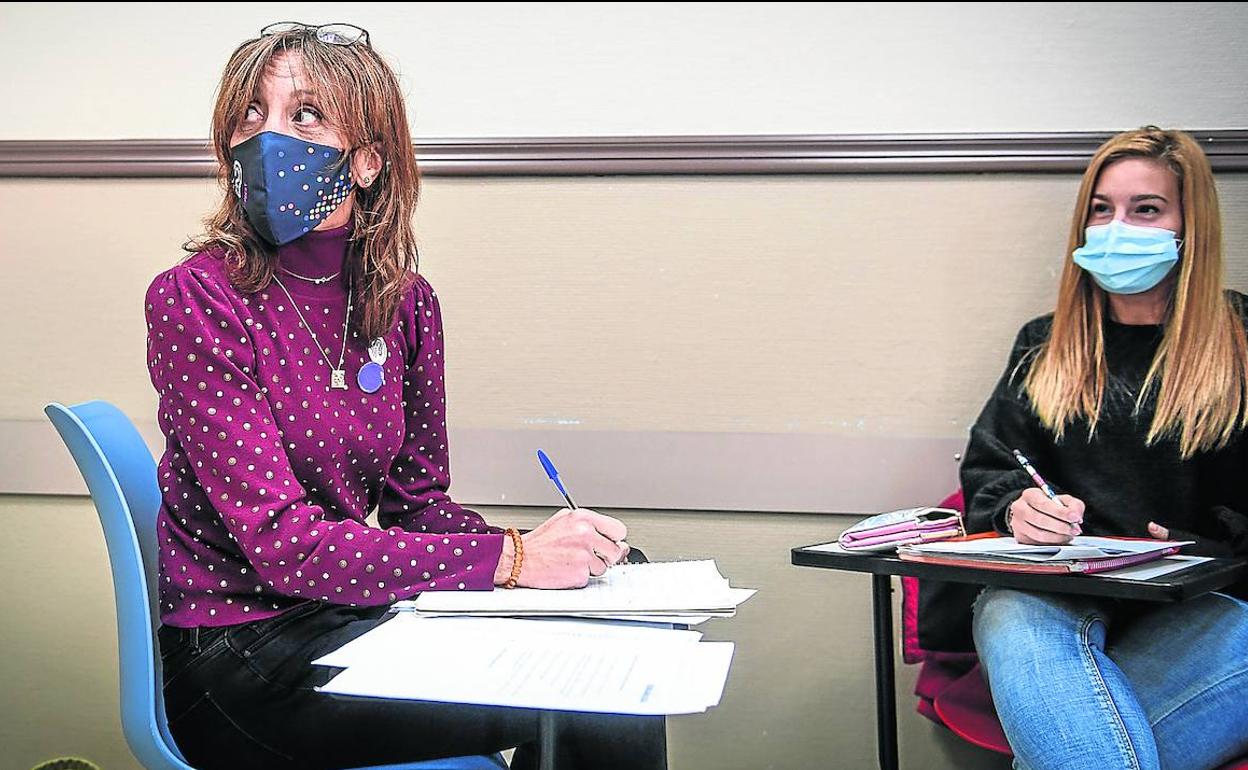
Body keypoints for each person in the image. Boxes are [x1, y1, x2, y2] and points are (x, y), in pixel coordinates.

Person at [145, 22, 665, 770]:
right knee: (600, 685)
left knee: (625, 606)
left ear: (366, 161)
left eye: (305, 115)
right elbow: (284, 547)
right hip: (243, 656)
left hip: (350, 613)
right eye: (249, 115)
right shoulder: (196, 300)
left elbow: (418, 504)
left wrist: (550, 557)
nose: (265, 139)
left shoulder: (405, 303)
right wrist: (510, 561)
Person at [959, 126, 1248, 770]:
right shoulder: (1044, 345)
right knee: (1007, 609)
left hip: (1208, 607)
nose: (1116, 226)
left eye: (1145, 209)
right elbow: (990, 468)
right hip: (1058, 601)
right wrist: (1016, 509)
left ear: (1189, 226)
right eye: (1101, 208)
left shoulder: (1241, 341)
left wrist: (1201, 544)